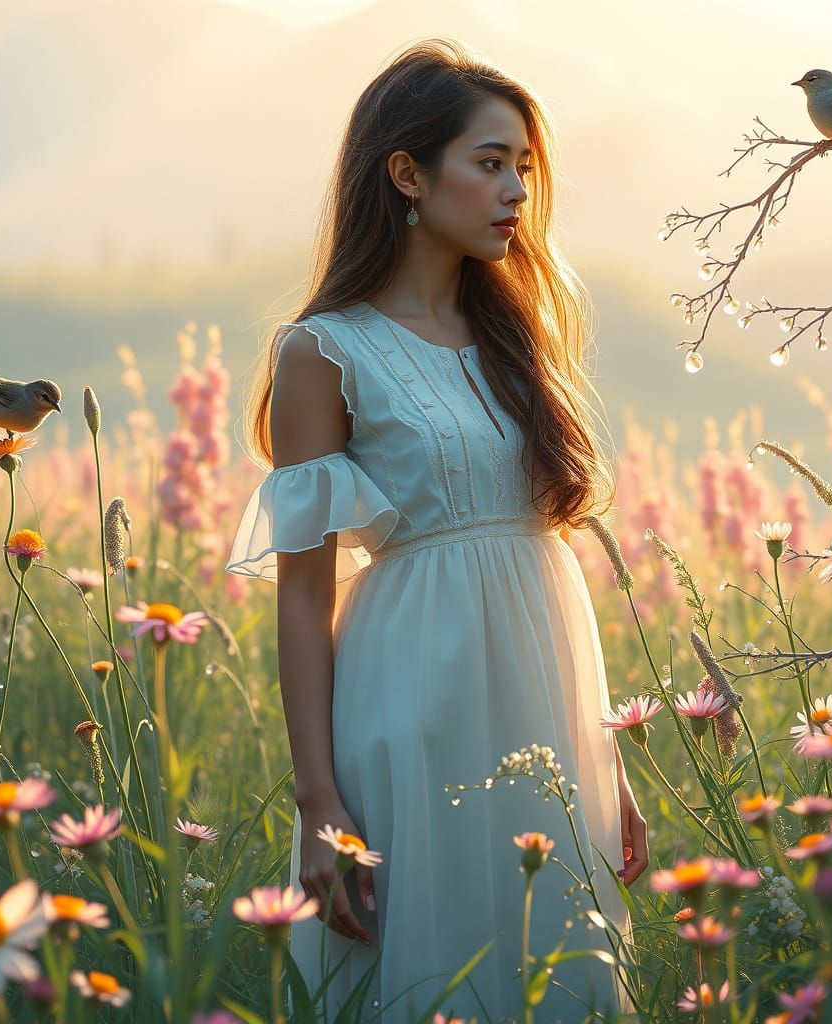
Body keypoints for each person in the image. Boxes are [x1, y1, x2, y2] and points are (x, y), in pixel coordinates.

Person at [226, 38, 647, 1023]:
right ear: (408, 173)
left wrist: (607, 762)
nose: (513, 192)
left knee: (555, 965)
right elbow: (302, 592)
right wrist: (318, 802)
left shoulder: (514, 339)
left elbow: (541, 557)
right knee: (432, 970)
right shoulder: (322, 350)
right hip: (408, 697)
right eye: (489, 162)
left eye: (523, 169)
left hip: (544, 702)